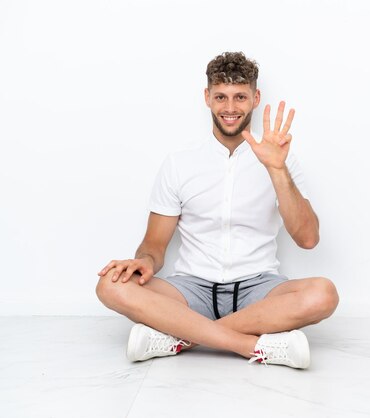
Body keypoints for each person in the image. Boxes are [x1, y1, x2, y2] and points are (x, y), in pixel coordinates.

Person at [95, 52, 339, 369]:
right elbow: (155, 244)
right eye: (221, 96)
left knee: (324, 293)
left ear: (255, 98)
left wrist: (277, 170)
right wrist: (143, 262)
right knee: (110, 285)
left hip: (259, 289)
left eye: (240, 97)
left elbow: (308, 238)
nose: (230, 108)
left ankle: (180, 338)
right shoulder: (179, 162)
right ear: (207, 97)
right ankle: (251, 345)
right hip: (190, 289)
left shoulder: (280, 161)